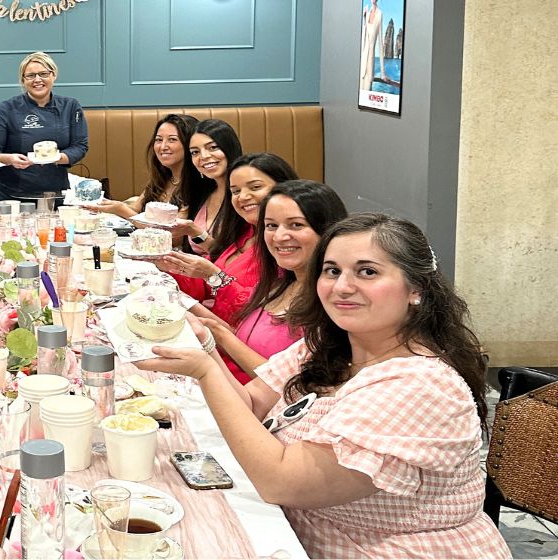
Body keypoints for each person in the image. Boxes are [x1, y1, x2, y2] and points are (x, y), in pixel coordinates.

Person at [138, 214, 511, 559]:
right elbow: (251, 404)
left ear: (417, 288)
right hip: (299, 536)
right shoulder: (329, 344)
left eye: (367, 272)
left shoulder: (421, 386)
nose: (342, 287)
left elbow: (282, 482)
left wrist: (205, 371)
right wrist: (205, 344)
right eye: (332, 270)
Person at [201, 180, 348, 384]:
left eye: (296, 225)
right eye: (271, 225)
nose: (279, 236)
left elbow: (294, 385)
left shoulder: (336, 303)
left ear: (327, 230)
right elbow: (247, 339)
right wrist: (193, 314)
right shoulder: (279, 281)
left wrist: (218, 334)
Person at [159, 153, 299, 343]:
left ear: (284, 188)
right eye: (235, 191)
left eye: (255, 187)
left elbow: (256, 316)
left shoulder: (285, 246)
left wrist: (214, 276)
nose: (243, 197)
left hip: (239, 344)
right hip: (214, 333)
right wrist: (168, 264)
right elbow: (203, 286)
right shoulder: (244, 230)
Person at [0, 51, 89, 203]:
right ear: (23, 80)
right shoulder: (5, 109)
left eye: (43, 74)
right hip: (10, 196)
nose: (37, 80)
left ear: (54, 75)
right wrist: (10, 159)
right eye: (30, 76)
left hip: (54, 194)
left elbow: (80, 146)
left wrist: (54, 158)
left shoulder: (71, 107)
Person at [83, 113, 201, 221]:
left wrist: (120, 209)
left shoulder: (195, 185)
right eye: (159, 140)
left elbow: (175, 236)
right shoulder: (161, 179)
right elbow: (135, 210)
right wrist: (109, 205)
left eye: (172, 140)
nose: (163, 146)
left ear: (191, 144)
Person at [184, 119, 244, 255]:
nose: (203, 156)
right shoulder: (203, 193)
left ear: (229, 148)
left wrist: (194, 232)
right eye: (195, 152)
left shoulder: (244, 197)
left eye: (213, 147)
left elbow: (238, 259)